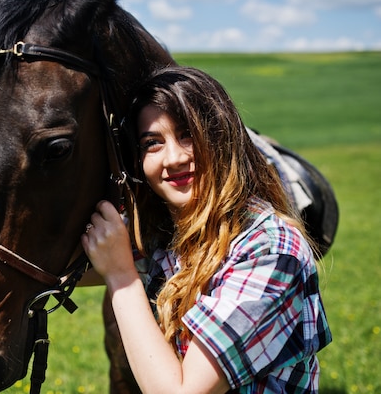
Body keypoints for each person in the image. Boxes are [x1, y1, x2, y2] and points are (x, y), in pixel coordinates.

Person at [81, 67, 332, 393]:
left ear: (223, 139)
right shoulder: (168, 235)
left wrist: (122, 278)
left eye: (188, 134)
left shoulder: (270, 251)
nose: (173, 158)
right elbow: (61, 269)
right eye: (152, 143)